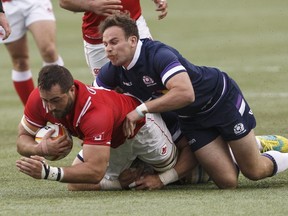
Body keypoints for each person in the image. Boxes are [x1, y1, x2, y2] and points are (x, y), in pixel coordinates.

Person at [95, 13, 288, 189]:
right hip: (192, 119)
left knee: (253, 171)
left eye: (114, 42)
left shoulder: (157, 54)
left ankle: (256, 147)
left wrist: (140, 110)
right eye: (105, 44)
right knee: (227, 182)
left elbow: (186, 94)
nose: (108, 49)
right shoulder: (113, 70)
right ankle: (247, 145)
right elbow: (93, 101)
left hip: (220, 100)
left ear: (132, 40)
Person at [15, 65, 196, 190]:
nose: (50, 107)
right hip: (111, 140)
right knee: (75, 184)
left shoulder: (94, 113)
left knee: (172, 169)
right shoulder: (40, 99)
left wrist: (48, 172)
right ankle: (125, 180)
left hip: (140, 129)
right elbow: (22, 138)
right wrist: (39, 148)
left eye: (56, 100)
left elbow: (95, 172)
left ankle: (200, 169)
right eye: (45, 100)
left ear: (71, 90)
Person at [59, 0, 167, 78]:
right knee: (108, 90)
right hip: (98, 36)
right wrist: (91, 5)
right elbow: (64, 2)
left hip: (134, 23)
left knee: (151, 74)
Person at [0, 0, 64, 105]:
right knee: (20, 61)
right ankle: (33, 111)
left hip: (35, 2)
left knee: (49, 51)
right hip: (7, 5)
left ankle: (59, 105)